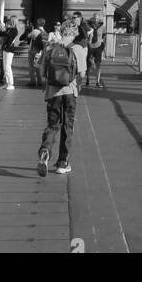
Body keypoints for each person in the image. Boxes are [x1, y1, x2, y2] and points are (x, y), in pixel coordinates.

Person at [37, 18, 87, 177]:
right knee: (67, 126)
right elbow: (82, 73)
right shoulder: (78, 49)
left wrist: (48, 81)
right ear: (74, 33)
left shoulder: (50, 47)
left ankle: (45, 150)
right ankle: (62, 163)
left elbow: (40, 69)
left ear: (62, 30)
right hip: (70, 93)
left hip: (53, 93)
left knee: (52, 125)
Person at [85, 15, 106, 89]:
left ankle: (97, 81)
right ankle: (87, 79)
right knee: (89, 65)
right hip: (90, 47)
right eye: (95, 18)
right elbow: (86, 35)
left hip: (98, 47)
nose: (96, 19)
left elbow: (103, 36)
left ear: (99, 19)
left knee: (98, 65)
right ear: (93, 18)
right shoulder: (89, 25)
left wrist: (103, 48)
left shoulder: (102, 26)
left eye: (97, 18)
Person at [0, 16, 20, 91]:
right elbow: (1, 34)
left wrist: (5, 29)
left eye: (9, 21)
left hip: (10, 49)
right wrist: (3, 28)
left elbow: (8, 36)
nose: (8, 22)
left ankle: (11, 84)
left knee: (8, 66)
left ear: (12, 22)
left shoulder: (14, 30)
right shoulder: (9, 29)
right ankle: (7, 82)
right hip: (5, 48)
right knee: (5, 67)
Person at [28, 17, 47, 87]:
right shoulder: (45, 32)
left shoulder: (35, 31)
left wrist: (30, 30)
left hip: (33, 50)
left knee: (31, 66)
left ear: (37, 23)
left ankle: (32, 81)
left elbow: (28, 36)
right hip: (40, 51)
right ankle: (40, 81)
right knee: (37, 66)